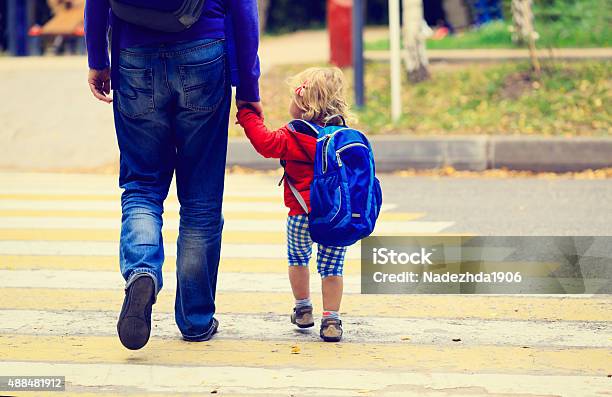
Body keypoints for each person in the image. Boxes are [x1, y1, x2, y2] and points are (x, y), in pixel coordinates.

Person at [84, 0, 262, 350]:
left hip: (134, 54)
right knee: (201, 199)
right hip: (204, 52)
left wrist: (98, 59)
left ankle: (142, 271)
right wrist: (248, 88)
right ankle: (195, 320)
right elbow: (243, 8)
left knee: (142, 186)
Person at [236, 67, 350, 342]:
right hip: (335, 217)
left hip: (300, 215)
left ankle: (303, 309)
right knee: (332, 268)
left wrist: (247, 115)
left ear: (302, 104)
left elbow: (265, 144)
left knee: (298, 259)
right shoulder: (342, 137)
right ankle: (331, 319)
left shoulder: (294, 136)